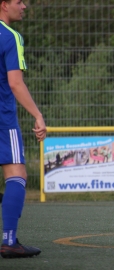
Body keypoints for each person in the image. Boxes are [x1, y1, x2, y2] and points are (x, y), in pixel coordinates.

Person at [0, 0, 46, 259]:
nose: (25, 6)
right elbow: (15, 83)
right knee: (17, 174)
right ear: (4, 5)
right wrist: (37, 115)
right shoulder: (10, 36)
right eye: (19, 1)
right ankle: (9, 241)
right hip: (3, 119)